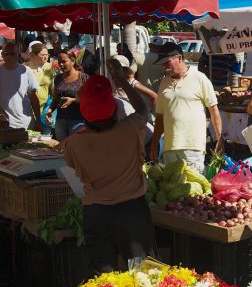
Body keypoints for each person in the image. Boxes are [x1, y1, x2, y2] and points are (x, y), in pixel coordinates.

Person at [62, 61, 156, 274]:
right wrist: (122, 80)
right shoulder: (130, 129)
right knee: (137, 270)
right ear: (113, 108)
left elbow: (74, 168)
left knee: (103, 277)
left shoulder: (73, 143)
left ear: (84, 111)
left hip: (96, 215)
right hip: (132, 212)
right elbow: (142, 107)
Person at [150, 42, 223, 174]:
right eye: (162, 64)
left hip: (193, 147)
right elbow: (160, 117)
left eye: (167, 62)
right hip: (170, 148)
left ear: (179, 58)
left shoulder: (200, 78)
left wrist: (219, 138)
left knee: (193, 191)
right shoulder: (164, 83)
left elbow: (213, 110)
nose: (164, 67)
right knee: (172, 190)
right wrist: (154, 142)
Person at [46, 49, 89, 141]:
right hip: (60, 121)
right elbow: (55, 99)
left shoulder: (83, 78)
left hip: (78, 121)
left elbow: (90, 99)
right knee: (61, 151)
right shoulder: (58, 79)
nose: (61, 65)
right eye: (59, 62)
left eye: (64, 61)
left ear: (73, 61)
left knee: (76, 149)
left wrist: (73, 100)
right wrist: (50, 110)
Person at [0, 42, 41, 130]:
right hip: (5, 125)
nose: (8, 56)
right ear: (2, 55)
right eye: (5, 53)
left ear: (18, 55)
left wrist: (38, 120)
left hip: (26, 123)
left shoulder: (26, 71)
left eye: (12, 53)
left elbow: (33, 98)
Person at [26, 43, 54, 134]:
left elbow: (53, 90)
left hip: (45, 111)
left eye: (47, 55)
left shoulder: (50, 67)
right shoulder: (25, 68)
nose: (46, 57)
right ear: (32, 55)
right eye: (42, 55)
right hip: (28, 110)